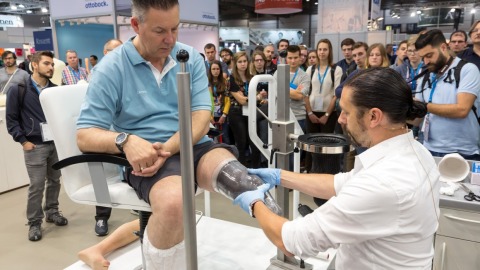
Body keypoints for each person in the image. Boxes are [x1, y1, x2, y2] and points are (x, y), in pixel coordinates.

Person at [76, 1, 281, 268]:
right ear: (136, 25)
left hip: (190, 144)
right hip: (147, 156)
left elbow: (200, 115)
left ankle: (289, 240)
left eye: (175, 28)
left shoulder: (189, 57)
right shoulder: (111, 68)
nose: (170, 39)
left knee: (245, 182)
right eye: (160, 31)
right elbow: (84, 135)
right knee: (175, 205)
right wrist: (125, 140)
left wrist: (171, 147)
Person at [234, 67, 440, 269]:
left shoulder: (383, 183)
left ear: (374, 117)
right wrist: (280, 176)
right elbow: (340, 182)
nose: (340, 119)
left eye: (346, 112)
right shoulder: (415, 152)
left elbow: (291, 241)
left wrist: (254, 202)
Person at [6, 51, 69, 242]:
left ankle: (52, 211)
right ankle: (34, 222)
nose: (51, 67)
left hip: (55, 144)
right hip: (34, 145)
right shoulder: (19, 89)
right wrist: (23, 141)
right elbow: (11, 119)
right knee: (36, 185)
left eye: (52, 64)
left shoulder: (55, 90)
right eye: (47, 64)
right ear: (35, 65)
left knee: (55, 180)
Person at [414, 29, 480, 160]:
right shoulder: (425, 74)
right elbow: (417, 118)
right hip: (429, 149)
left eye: (429, 55)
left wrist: (423, 106)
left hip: (463, 151)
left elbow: (462, 110)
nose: (426, 62)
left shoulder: (467, 70)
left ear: (443, 47)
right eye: (423, 58)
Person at [90, 38, 124, 237]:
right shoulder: (98, 74)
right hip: (103, 131)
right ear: (105, 52)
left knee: (132, 170)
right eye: (112, 51)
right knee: (100, 176)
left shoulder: (127, 72)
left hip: (125, 131)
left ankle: (140, 208)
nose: (117, 55)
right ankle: (102, 216)